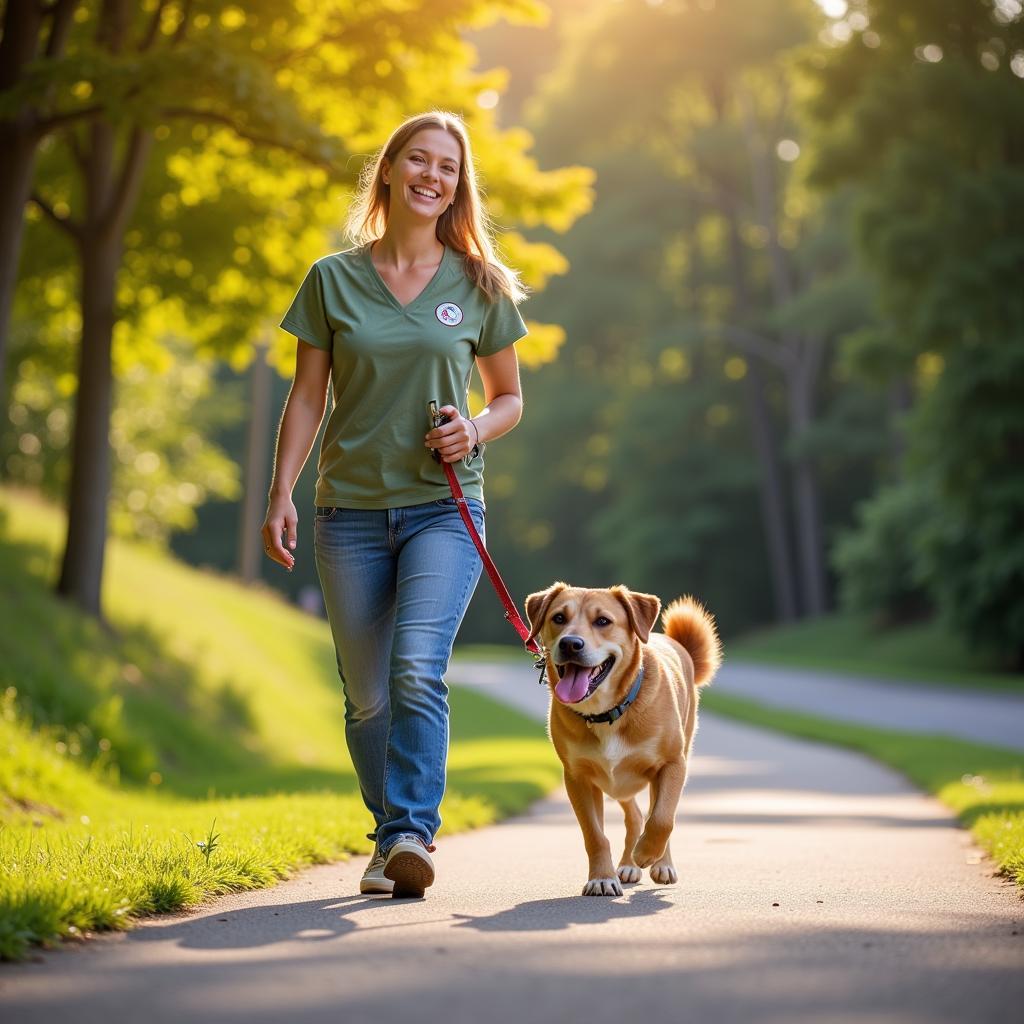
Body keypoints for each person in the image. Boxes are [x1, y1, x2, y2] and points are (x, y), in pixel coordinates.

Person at [261, 111, 528, 899]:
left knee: (417, 666)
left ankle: (411, 832)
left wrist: (472, 431)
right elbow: (307, 397)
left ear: (458, 186)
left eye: (447, 166)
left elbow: (510, 397)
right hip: (348, 512)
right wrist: (281, 489)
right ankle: (388, 836)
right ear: (388, 170)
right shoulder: (331, 278)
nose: (432, 175)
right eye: (418, 159)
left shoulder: (479, 285)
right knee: (367, 694)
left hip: (444, 510)